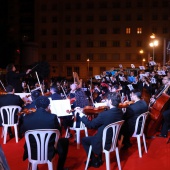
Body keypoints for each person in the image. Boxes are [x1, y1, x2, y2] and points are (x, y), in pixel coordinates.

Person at [21, 96, 69, 170]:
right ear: (48, 106)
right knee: (65, 141)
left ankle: (34, 167)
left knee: (29, 140)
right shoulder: (52, 117)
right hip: (49, 151)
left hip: (32, 151)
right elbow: (59, 132)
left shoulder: (26, 118)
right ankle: (60, 168)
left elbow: (23, 131)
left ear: (35, 106)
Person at [79, 92, 123, 168]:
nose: (106, 101)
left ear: (110, 101)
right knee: (98, 133)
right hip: (113, 140)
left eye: (107, 100)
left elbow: (90, 125)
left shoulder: (104, 115)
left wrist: (82, 116)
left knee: (84, 140)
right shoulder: (120, 112)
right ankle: (99, 159)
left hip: (103, 143)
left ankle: (94, 160)